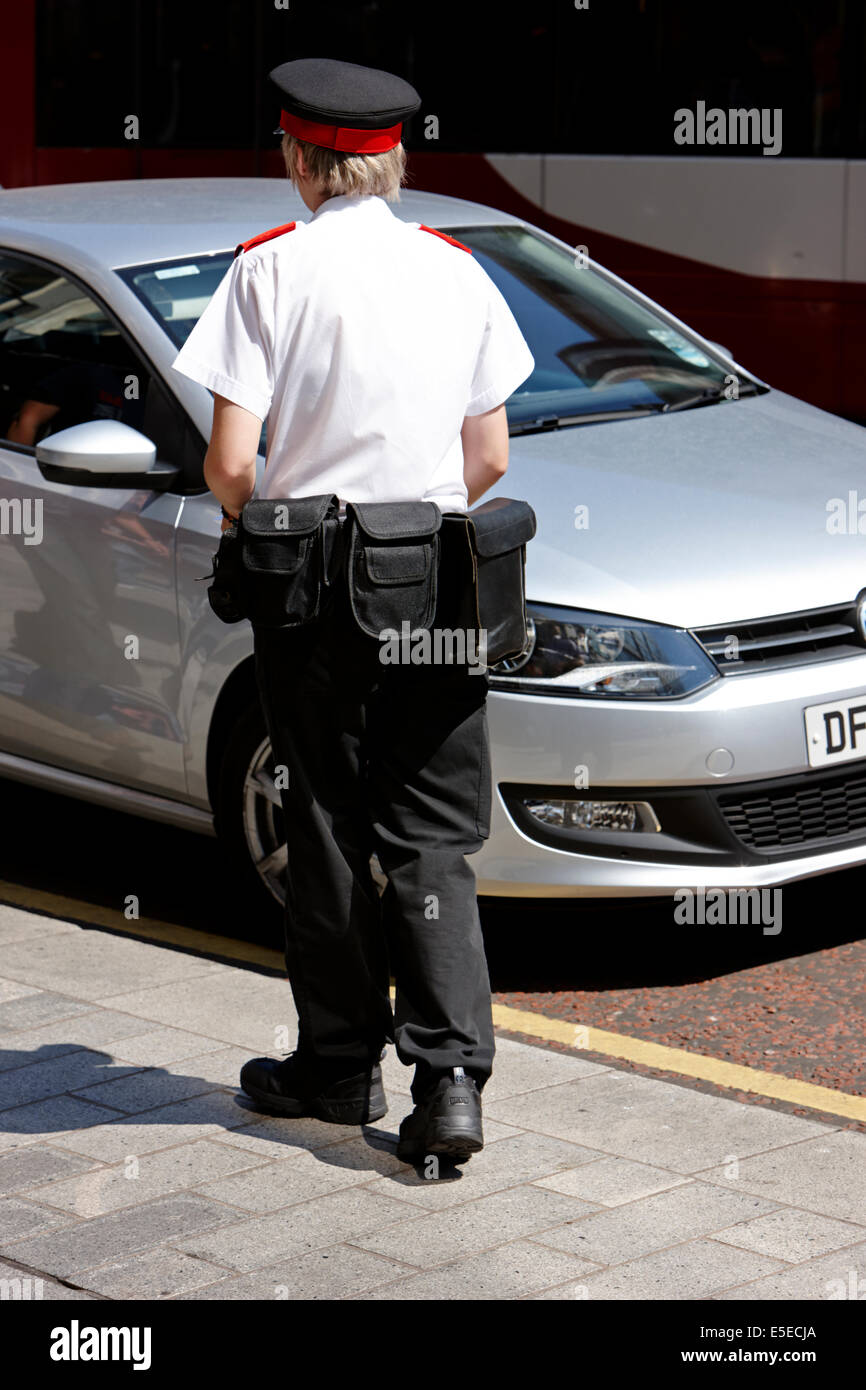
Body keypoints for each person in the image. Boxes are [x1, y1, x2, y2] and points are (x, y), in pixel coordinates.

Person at [171, 57, 534, 1164]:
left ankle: (336, 1072)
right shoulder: (456, 270)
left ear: (299, 161)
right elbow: (487, 455)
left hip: (312, 599)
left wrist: (291, 512)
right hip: (436, 585)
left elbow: (233, 466)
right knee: (432, 839)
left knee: (324, 828)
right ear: (391, 162)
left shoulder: (268, 271)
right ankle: (451, 1086)